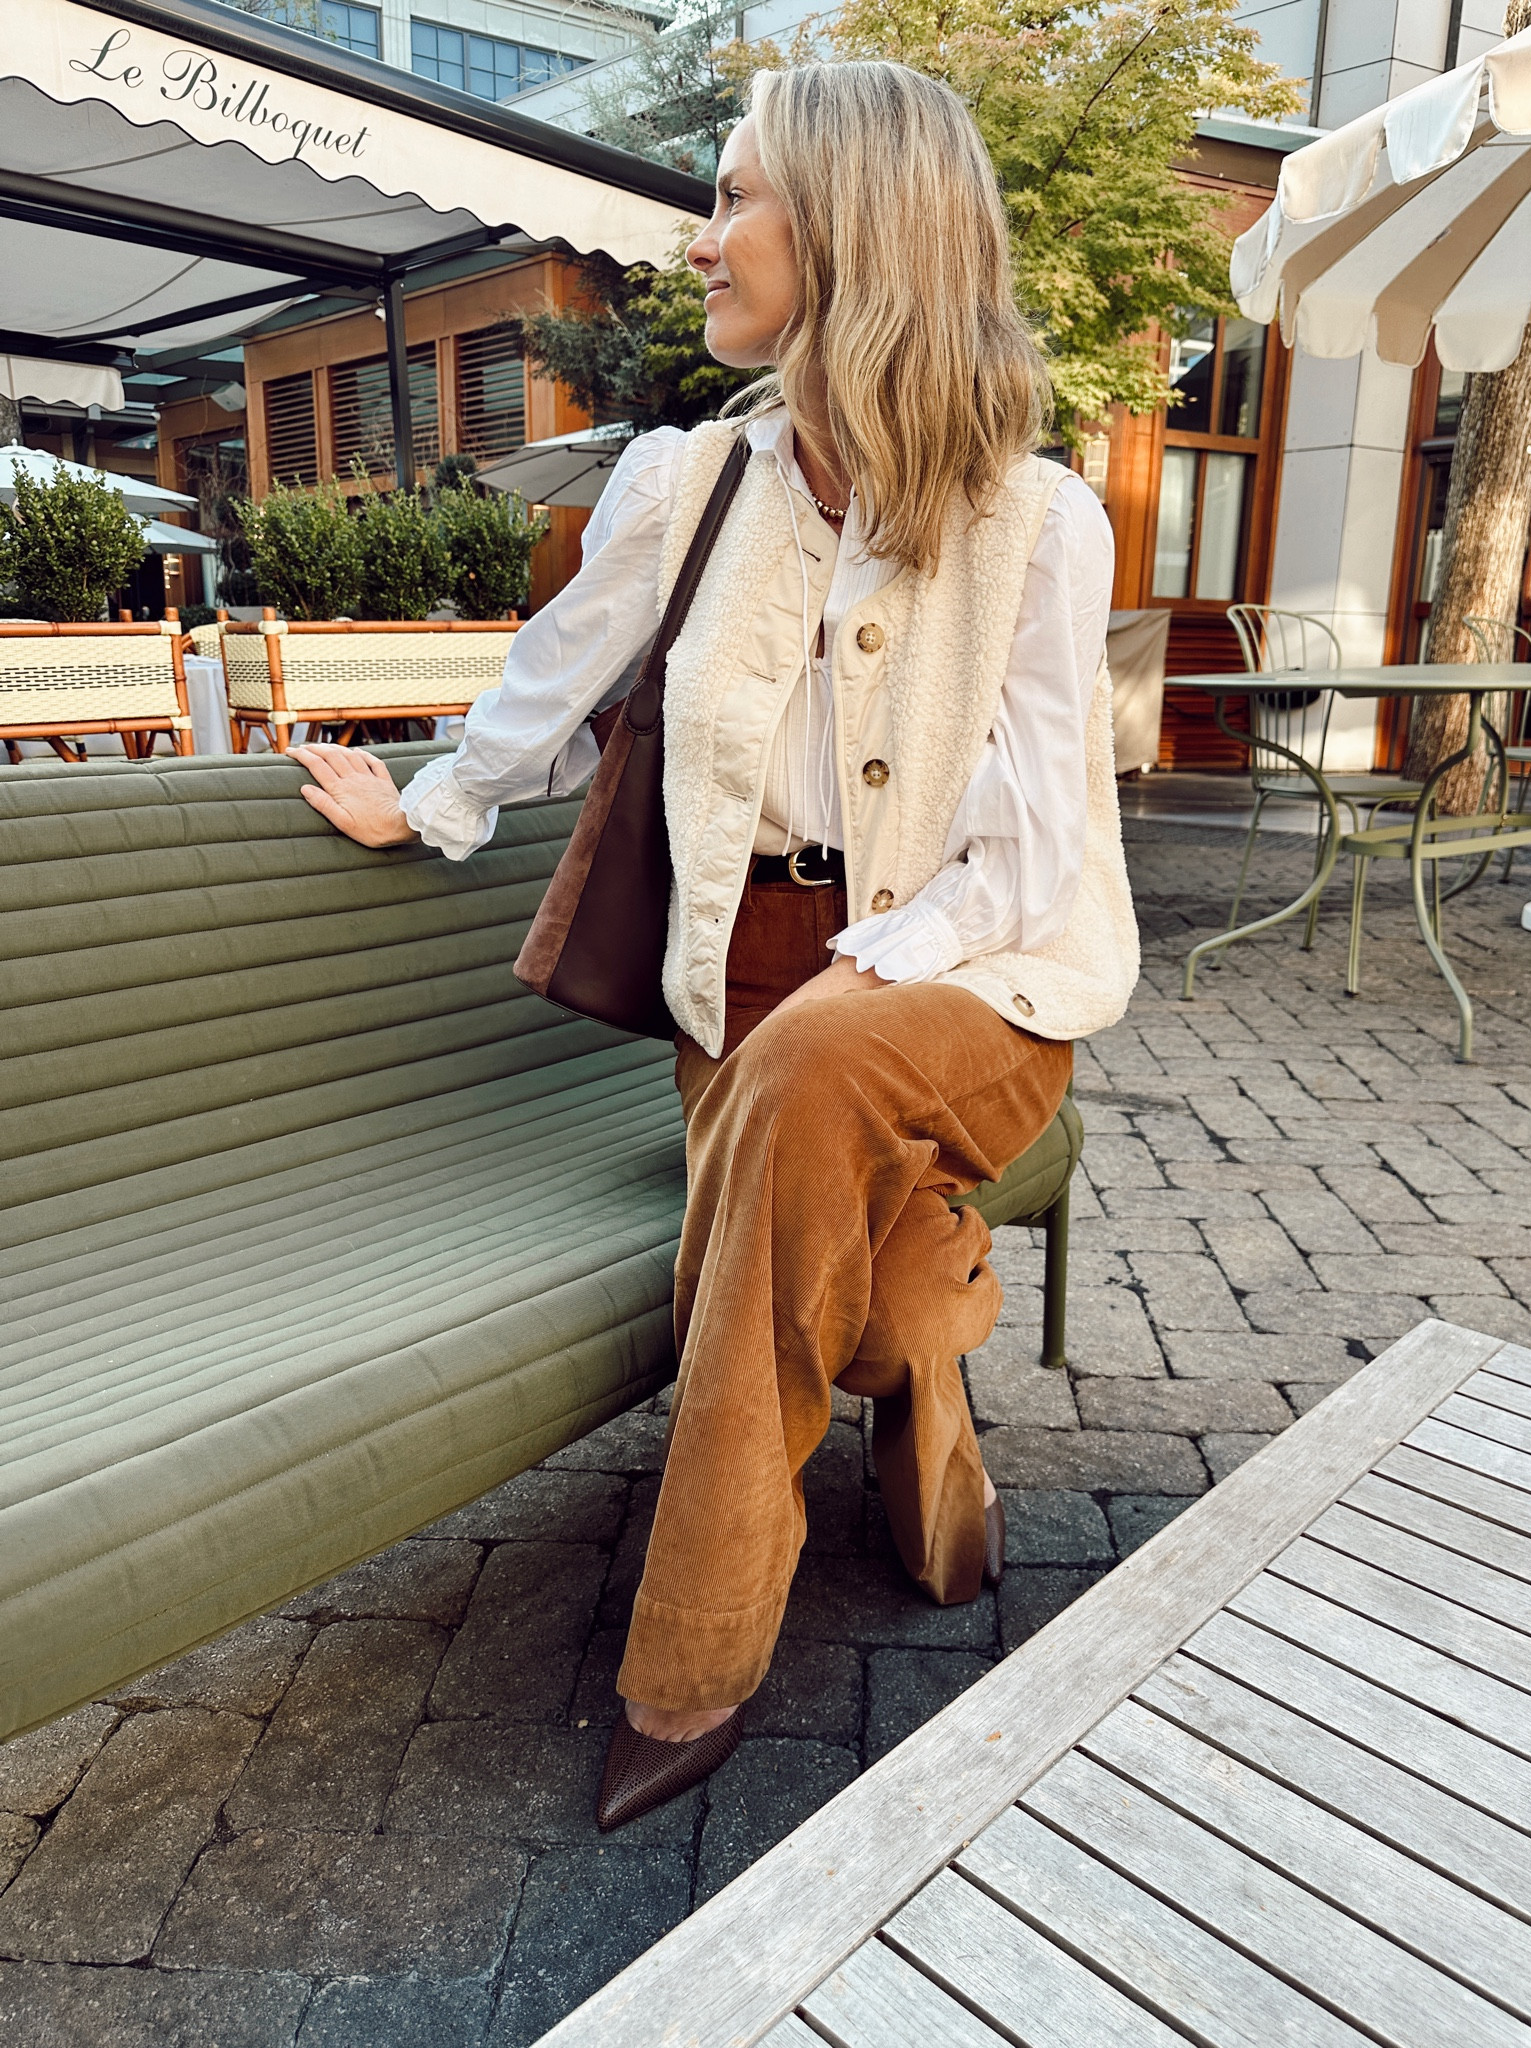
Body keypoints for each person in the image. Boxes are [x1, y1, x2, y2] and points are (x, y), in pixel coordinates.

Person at [293, 59, 1138, 1834]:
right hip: (731, 992)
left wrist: (877, 963)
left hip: (983, 982)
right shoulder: (686, 487)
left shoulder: (1040, 519)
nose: (702, 238)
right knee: (863, 1256)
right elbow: (552, 681)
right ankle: (930, 1362)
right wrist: (434, 803)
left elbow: (1044, 851)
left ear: (852, 229)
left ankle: (691, 1655)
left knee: (823, 1076)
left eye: (738, 195)